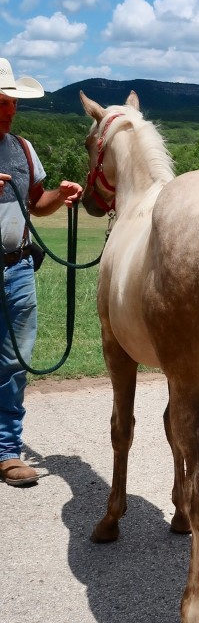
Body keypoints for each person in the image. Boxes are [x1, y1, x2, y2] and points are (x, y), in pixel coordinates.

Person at [0, 58, 82, 486]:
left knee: (14, 362)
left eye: (12, 103)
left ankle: (7, 450)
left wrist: (60, 195)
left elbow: (36, 202)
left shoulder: (23, 149)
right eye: (1, 102)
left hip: (17, 269)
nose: (9, 111)